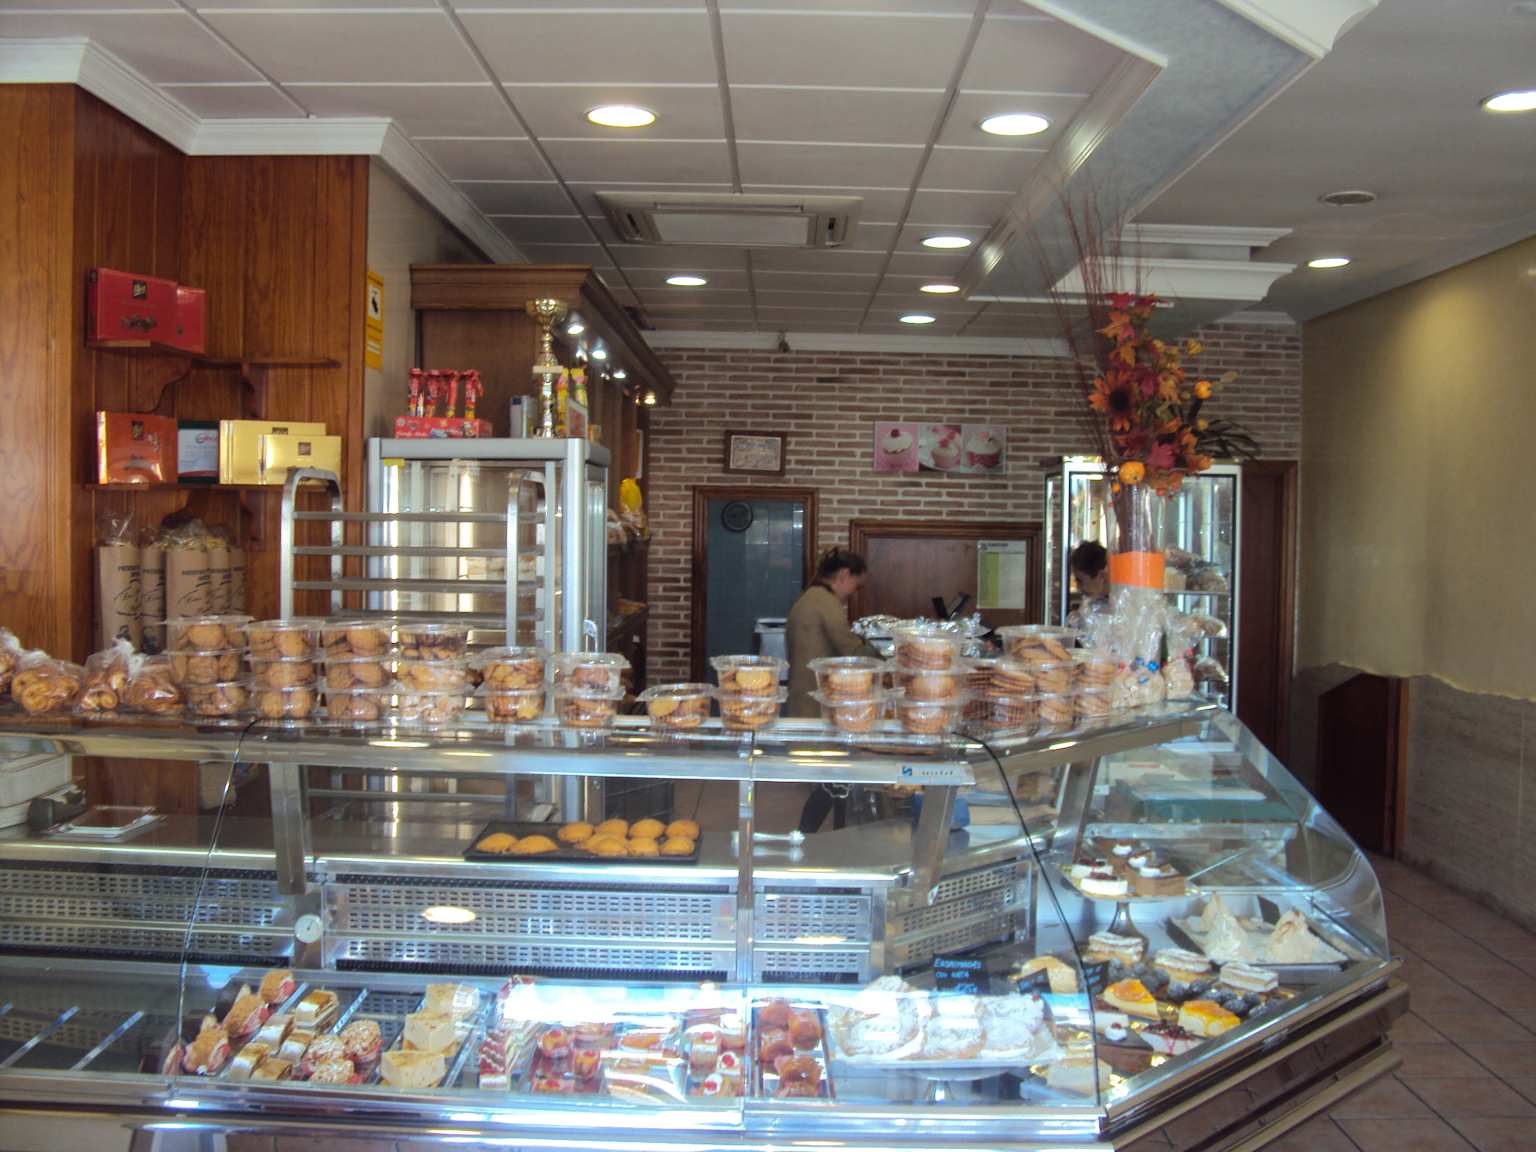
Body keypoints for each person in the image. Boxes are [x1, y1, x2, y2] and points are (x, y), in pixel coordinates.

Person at [785, 547, 879, 834]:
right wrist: (885, 655)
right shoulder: (825, 602)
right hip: (817, 703)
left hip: (808, 698)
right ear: (844, 575)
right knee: (834, 778)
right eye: (856, 584)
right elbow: (849, 647)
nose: (854, 591)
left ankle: (836, 834)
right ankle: (806, 835)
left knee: (837, 778)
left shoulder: (809, 598)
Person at [1070, 540, 1109, 605]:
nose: (1078, 587)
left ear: (1102, 576)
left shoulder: (1123, 604)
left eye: (1080, 580)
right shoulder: (1097, 603)